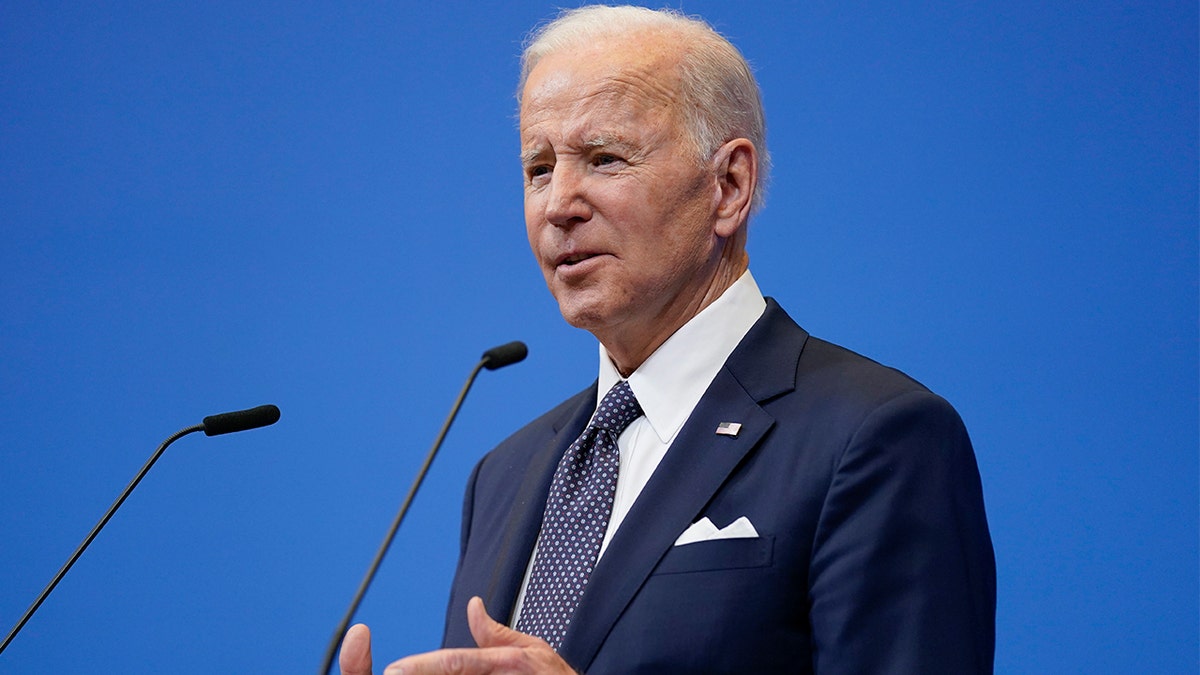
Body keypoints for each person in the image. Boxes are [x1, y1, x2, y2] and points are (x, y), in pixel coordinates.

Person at [340, 5, 995, 674]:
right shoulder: (502, 476)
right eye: (538, 168)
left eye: (604, 158)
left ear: (728, 186)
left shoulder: (875, 437)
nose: (559, 203)